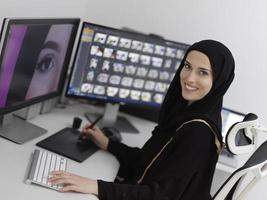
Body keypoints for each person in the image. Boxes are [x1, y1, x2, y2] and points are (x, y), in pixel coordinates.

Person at [49, 39, 235, 200]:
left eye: (203, 72)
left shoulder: (198, 131)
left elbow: (160, 196)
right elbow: (149, 161)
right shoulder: (186, 114)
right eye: (187, 66)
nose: (189, 78)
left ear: (219, 80)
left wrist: (95, 186)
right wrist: (108, 143)